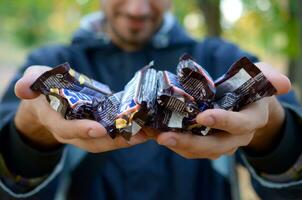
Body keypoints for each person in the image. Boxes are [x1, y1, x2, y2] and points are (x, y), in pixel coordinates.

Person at [0, 0, 301, 199]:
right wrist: (31, 130)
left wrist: (273, 128)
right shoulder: (53, 63)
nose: (137, 8)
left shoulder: (220, 59)